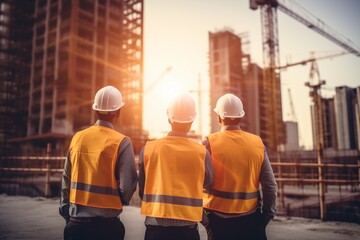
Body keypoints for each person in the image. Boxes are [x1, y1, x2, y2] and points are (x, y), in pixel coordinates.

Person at [59, 85, 138, 240]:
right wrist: (118, 201)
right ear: (119, 112)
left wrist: (66, 211)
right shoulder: (122, 142)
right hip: (107, 228)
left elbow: (66, 179)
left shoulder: (78, 138)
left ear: (95, 110)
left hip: (75, 226)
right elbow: (128, 187)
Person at [138, 92, 213, 240]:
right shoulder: (201, 152)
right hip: (187, 231)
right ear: (192, 120)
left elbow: (142, 190)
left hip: (155, 229)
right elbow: (209, 183)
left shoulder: (148, 149)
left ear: (168, 118)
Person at [202, 93, 277, 240]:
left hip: (218, 223)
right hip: (251, 221)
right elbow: (270, 186)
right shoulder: (257, 143)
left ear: (219, 117)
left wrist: (205, 222)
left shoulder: (208, 143)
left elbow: (193, 184)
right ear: (241, 117)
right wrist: (265, 217)